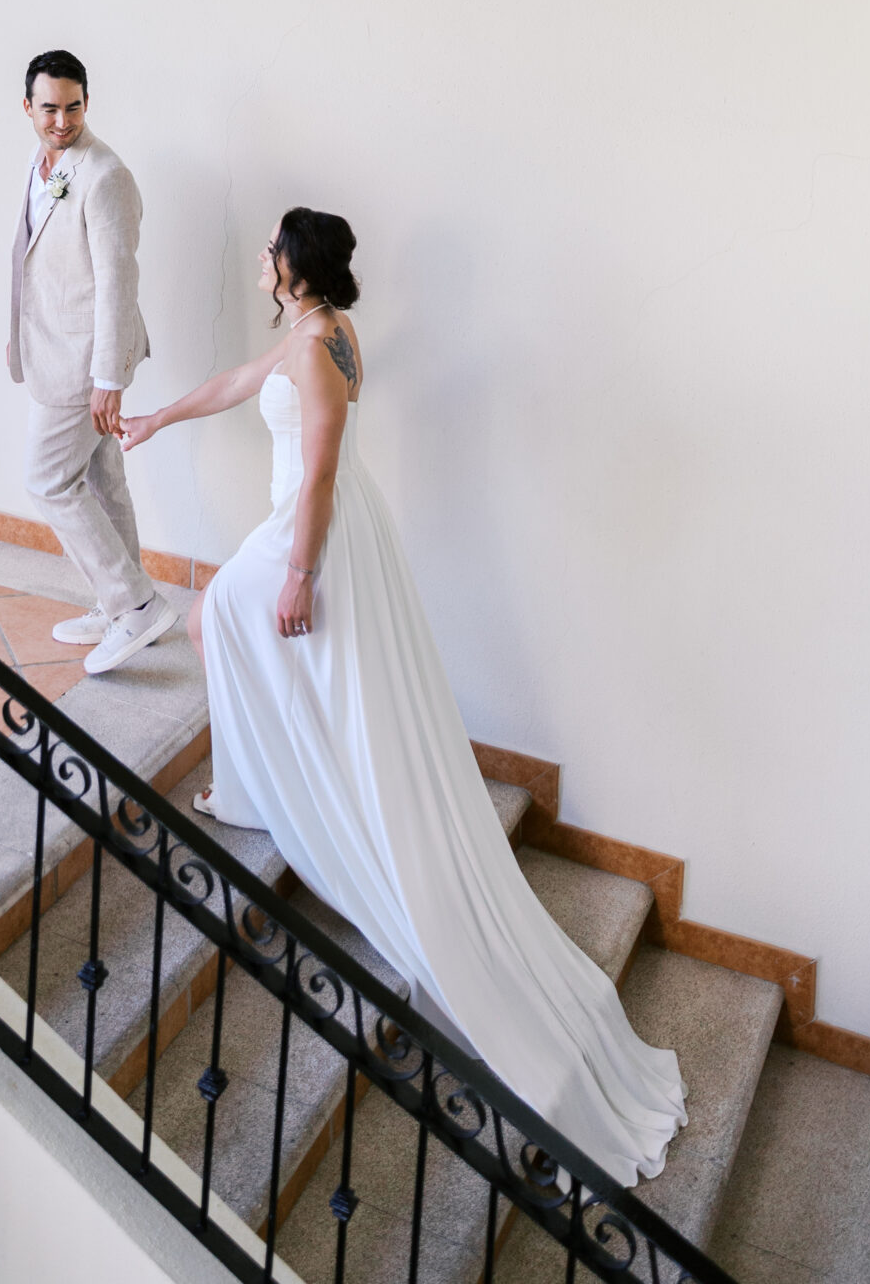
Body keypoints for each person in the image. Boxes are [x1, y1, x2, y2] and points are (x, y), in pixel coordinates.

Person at [118, 207, 687, 1188]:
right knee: (226, 624)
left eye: (268, 249)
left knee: (221, 615)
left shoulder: (322, 349)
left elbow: (323, 468)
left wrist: (297, 573)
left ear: (292, 266)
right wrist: (161, 415)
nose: (259, 257)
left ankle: (261, 787)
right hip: (312, 520)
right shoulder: (315, 333)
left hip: (317, 529)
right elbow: (238, 383)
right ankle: (254, 783)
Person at [8, 50, 178, 677]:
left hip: (84, 362)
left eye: (73, 106)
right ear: (28, 107)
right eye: (49, 107)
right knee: (103, 480)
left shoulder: (106, 175)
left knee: (48, 480)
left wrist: (108, 379)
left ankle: (134, 605)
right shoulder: (46, 162)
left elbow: (117, 282)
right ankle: (118, 609)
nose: (62, 120)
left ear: (87, 102)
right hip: (51, 347)